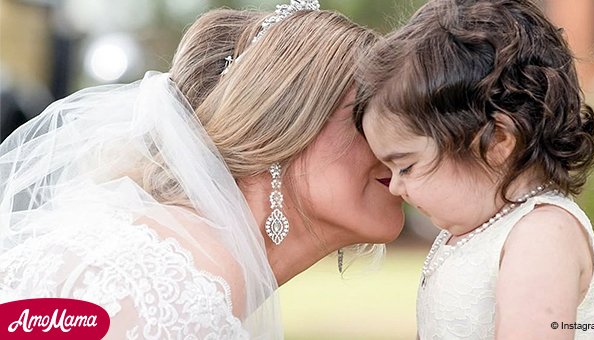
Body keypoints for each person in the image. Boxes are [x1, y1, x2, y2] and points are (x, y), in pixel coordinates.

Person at [0, 1, 404, 338]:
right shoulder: (169, 285)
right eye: (366, 117)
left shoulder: (184, 260)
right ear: (279, 127)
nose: (394, 146)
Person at [353, 0, 594, 338]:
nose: (395, 187)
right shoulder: (472, 233)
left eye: (406, 166)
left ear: (495, 141)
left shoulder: (542, 234)